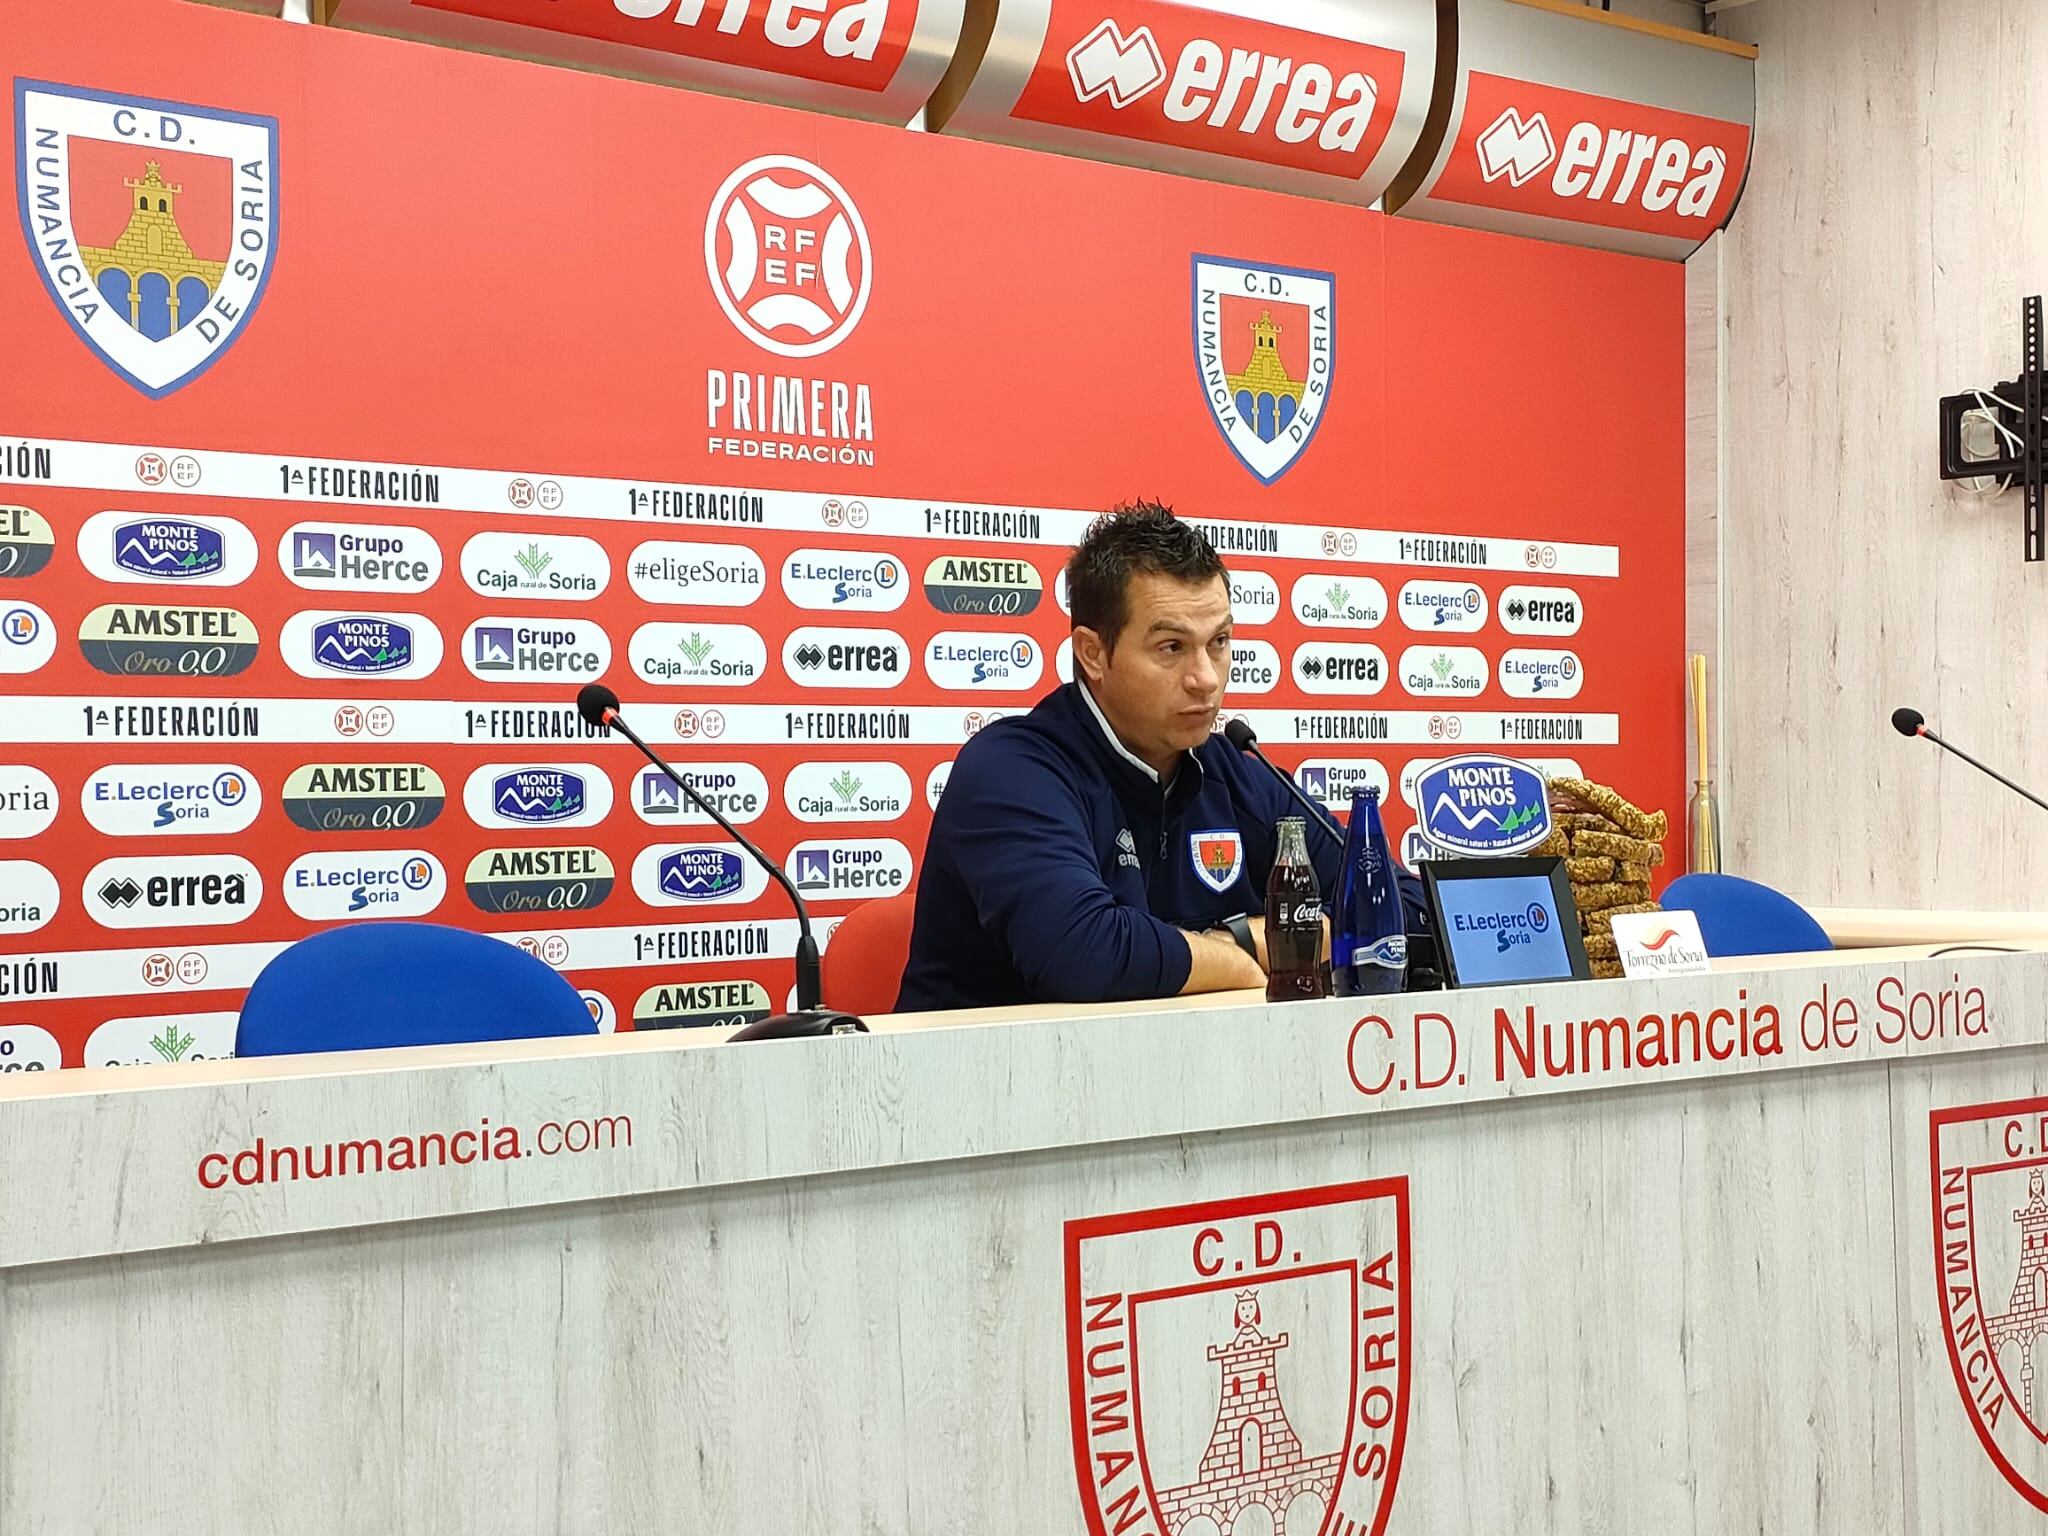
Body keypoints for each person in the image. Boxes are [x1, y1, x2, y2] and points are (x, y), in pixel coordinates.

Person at [897, 502, 1347, 1011]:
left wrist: (1227, 942)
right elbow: (1085, 956)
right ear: (1093, 654)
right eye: (1171, 647)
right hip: (989, 1081)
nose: (1206, 678)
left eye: (1219, 642)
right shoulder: (1010, 771)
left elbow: (1401, 907)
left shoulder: (1239, 773)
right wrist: (1250, 949)